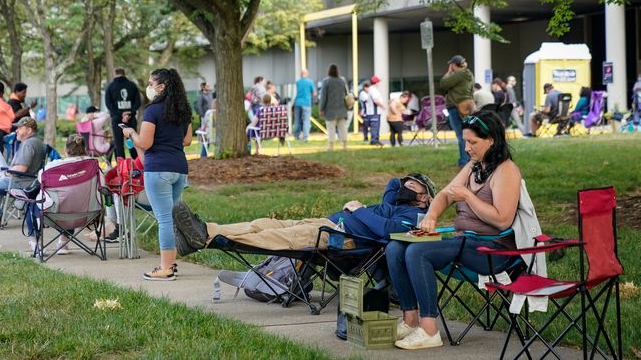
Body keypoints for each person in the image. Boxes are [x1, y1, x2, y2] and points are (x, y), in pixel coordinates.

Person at [386, 110, 529, 350]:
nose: (467, 148)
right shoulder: (475, 166)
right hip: (465, 243)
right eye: (465, 141)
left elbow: (503, 221)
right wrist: (431, 215)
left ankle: (430, 330)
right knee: (395, 248)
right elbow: (444, 194)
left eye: (473, 142)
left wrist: (469, 197)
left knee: (417, 252)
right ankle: (411, 320)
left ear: (492, 140)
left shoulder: (506, 171)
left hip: (492, 252)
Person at [173, 174, 436, 254]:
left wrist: (360, 210)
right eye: (406, 185)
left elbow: (387, 231)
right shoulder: (395, 201)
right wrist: (408, 185)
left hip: (340, 237)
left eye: (413, 187)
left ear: (423, 197)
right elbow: (393, 182)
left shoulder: (414, 217)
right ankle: (204, 231)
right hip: (328, 223)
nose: (404, 188)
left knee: (277, 236)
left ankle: (205, 238)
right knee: (264, 223)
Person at [122, 68, 192, 281]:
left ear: (162, 87)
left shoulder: (152, 111)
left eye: (151, 83)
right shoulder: (184, 111)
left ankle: (166, 268)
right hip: (179, 169)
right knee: (170, 218)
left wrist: (131, 133)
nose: (149, 87)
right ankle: (171, 262)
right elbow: (187, 141)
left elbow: (145, 143)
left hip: (158, 170)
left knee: (164, 220)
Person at [23, 134, 91, 256]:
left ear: (65, 150)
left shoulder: (52, 167)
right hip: (87, 214)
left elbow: (39, 180)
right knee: (74, 201)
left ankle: (36, 244)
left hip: (55, 213)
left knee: (31, 203)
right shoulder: (93, 166)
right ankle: (63, 243)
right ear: (84, 149)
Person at [439, 55, 474, 167]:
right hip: (468, 106)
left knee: (461, 135)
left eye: (451, 65)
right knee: (469, 133)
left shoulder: (459, 74)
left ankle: (464, 161)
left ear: (454, 65)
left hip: (455, 107)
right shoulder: (469, 74)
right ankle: (472, 159)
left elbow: (443, 84)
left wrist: (449, 72)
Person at [105, 68, 142, 159]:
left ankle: (121, 167)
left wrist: (120, 114)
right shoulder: (132, 85)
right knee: (132, 141)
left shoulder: (110, 87)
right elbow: (138, 101)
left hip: (117, 119)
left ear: (114, 74)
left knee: (119, 143)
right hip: (131, 118)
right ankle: (136, 162)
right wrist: (129, 112)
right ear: (124, 73)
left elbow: (108, 104)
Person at [320, 64, 349, 151]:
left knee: (331, 128)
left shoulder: (326, 81)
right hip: (342, 108)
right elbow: (346, 93)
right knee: (342, 127)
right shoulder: (342, 80)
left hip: (330, 109)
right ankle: (344, 146)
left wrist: (321, 109)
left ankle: (331, 146)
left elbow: (323, 97)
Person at [293, 69, 317, 142]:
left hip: (297, 103)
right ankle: (305, 138)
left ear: (301, 74)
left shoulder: (298, 82)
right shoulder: (310, 82)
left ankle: (297, 137)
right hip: (306, 103)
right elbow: (314, 93)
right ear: (307, 74)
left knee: (297, 120)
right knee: (306, 121)